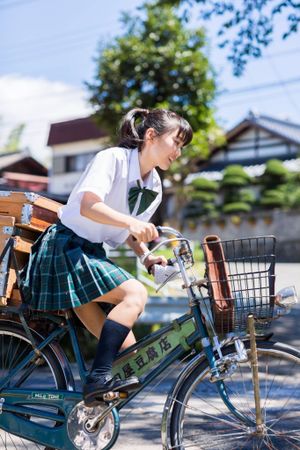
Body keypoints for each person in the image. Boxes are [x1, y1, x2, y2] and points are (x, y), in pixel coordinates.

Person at [21, 108, 193, 406]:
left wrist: (147, 258)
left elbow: (129, 230)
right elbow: (89, 205)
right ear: (151, 136)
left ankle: (87, 418)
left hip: (89, 254)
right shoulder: (112, 159)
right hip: (65, 247)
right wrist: (130, 223)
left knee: (132, 360)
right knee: (135, 294)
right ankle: (95, 381)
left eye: (182, 146)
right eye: (176, 142)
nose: (178, 152)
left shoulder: (153, 185)